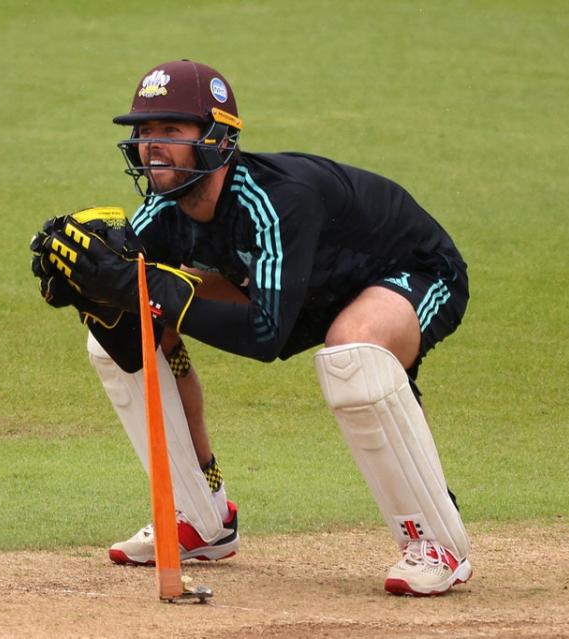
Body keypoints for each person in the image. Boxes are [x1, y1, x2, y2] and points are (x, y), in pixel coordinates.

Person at [30, 59, 472, 596]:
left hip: (409, 271)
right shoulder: (163, 212)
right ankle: (201, 516)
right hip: (299, 289)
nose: (151, 145)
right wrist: (96, 298)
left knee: (351, 352)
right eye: (145, 132)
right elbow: (131, 351)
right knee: (127, 326)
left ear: (217, 139)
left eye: (171, 130)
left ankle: (436, 542)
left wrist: (146, 289)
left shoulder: (277, 202)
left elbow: (266, 336)